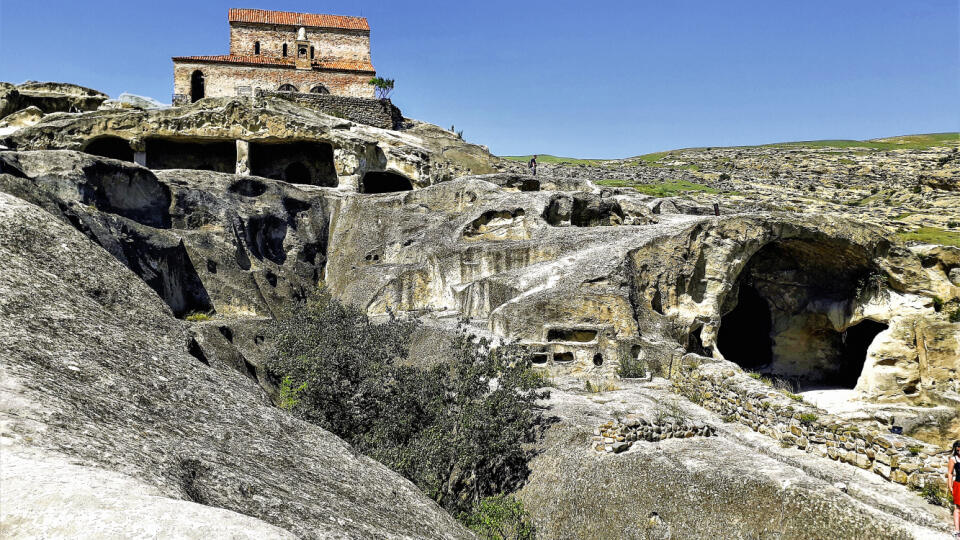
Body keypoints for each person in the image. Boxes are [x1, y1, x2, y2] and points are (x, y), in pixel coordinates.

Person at [950, 440, 960, 537]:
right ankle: (957, 531)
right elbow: (950, 473)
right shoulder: (954, 459)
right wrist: (950, 485)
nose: (959, 451)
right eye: (957, 450)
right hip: (958, 485)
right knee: (958, 508)